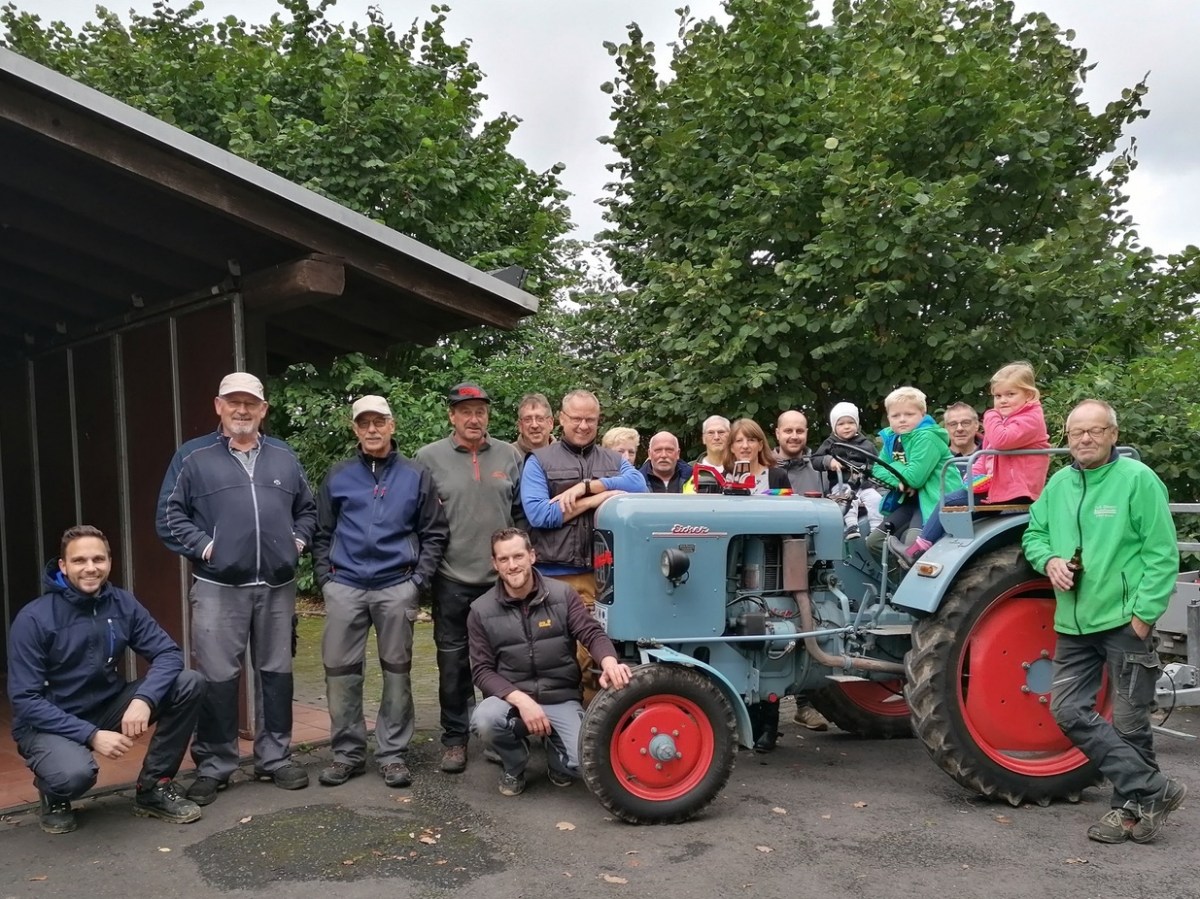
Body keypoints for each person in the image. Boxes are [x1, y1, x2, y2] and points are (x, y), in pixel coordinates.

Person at [1022, 399, 1184, 844]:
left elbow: (1161, 553)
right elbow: (1033, 534)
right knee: (1068, 710)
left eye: (1094, 431)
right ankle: (1154, 790)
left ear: (1113, 434)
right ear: (1068, 438)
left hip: (1122, 622)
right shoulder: (1059, 485)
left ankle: (1127, 811)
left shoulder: (1137, 480)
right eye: (1077, 433)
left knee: (1130, 722)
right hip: (1073, 623)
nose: (1085, 439)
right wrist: (1049, 559)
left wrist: (1143, 617)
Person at [156, 371, 318, 806]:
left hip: (278, 587)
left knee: (276, 673)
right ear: (218, 406)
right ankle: (214, 765)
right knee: (217, 677)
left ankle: (275, 757)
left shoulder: (283, 455)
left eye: (251, 403)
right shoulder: (193, 457)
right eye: (234, 402)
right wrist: (207, 548)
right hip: (217, 587)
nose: (242, 410)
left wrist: (296, 541)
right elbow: (170, 516)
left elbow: (308, 509)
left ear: (263, 410)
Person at [8, 526, 206, 834]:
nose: (90, 568)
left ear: (109, 563)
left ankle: (154, 788)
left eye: (98, 559)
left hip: (105, 706)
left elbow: (168, 654)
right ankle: (54, 792)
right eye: (79, 560)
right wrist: (90, 735)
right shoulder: (34, 619)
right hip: (48, 721)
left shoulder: (123, 604)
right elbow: (25, 701)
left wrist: (144, 699)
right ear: (63, 566)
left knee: (187, 682)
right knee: (74, 776)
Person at [311, 395, 448, 789]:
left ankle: (392, 754)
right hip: (345, 587)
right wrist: (327, 580)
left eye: (380, 421)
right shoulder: (338, 475)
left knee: (397, 673)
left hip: (396, 586)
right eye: (364, 423)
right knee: (340, 673)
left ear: (392, 425)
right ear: (355, 428)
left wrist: (417, 583)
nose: (372, 429)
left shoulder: (415, 475)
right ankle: (347, 754)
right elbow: (322, 532)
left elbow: (434, 532)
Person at [468, 528, 632, 796]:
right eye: (504, 559)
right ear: (494, 564)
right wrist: (522, 700)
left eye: (518, 556)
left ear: (532, 556)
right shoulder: (480, 611)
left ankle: (558, 757)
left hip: (560, 696)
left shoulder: (562, 595)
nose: (512, 565)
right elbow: (482, 671)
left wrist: (610, 662)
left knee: (584, 764)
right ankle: (514, 764)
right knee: (484, 720)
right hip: (512, 700)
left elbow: (591, 632)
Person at [414, 383, 524, 775]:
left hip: (501, 580)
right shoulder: (428, 458)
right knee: (453, 663)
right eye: (466, 411)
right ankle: (454, 740)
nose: (474, 418)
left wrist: (521, 561)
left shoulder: (509, 455)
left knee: (503, 662)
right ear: (451, 416)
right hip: (451, 577)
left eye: (480, 411)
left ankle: (496, 735)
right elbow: (419, 517)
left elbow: (520, 513)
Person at [520, 389, 646, 703]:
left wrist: (589, 486)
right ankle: (551, 721)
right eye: (576, 418)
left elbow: (639, 485)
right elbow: (540, 515)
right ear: (562, 419)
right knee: (553, 652)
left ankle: (590, 723)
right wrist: (599, 499)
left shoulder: (612, 459)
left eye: (590, 419)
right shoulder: (539, 462)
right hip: (553, 576)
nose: (583, 425)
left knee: (594, 652)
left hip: (600, 574)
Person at [893, 362, 1050, 568]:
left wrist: (990, 415)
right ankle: (936, 555)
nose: (1002, 400)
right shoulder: (1005, 421)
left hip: (1017, 489)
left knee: (949, 501)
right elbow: (983, 457)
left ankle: (919, 549)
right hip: (1001, 486)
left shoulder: (1030, 418)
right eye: (998, 396)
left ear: (1029, 395)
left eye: (1010, 394)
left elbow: (1002, 441)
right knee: (958, 507)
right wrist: (971, 476)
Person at [864, 386, 956, 566]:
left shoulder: (927, 438)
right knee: (874, 542)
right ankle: (897, 586)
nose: (902, 420)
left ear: (923, 414)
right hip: (909, 502)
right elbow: (877, 469)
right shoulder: (893, 438)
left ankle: (917, 591)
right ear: (888, 418)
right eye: (895, 416)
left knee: (911, 547)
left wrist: (895, 467)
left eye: (909, 414)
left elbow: (914, 479)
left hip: (933, 501)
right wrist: (901, 482)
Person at [811, 401, 884, 537]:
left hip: (864, 484)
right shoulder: (830, 443)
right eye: (841, 424)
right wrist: (829, 461)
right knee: (847, 497)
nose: (846, 427)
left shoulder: (866, 444)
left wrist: (871, 472)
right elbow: (815, 460)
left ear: (857, 424)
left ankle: (876, 530)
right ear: (834, 427)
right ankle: (851, 526)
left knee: (876, 499)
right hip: (841, 483)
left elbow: (878, 463)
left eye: (850, 423)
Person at [773, 410, 824, 494]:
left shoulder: (820, 471)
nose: (794, 436)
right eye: (788, 431)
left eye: (799, 431)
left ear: (806, 433)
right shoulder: (763, 468)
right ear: (778, 434)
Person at [513, 393, 556, 457]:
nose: (534, 425)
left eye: (540, 419)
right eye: (528, 420)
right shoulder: (509, 455)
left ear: (550, 423)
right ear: (520, 425)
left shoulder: (566, 455)